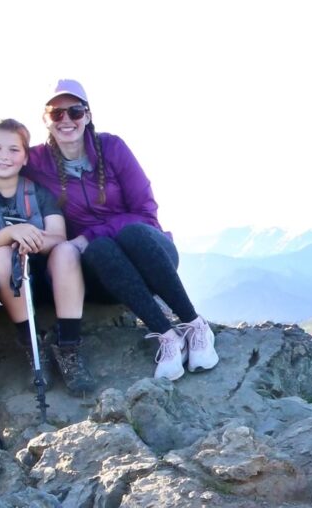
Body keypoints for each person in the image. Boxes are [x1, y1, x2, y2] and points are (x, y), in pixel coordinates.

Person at [24, 79, 219, 381]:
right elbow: (0, 155)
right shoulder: (37, 161)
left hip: (150, 256)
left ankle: (195, 325)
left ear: (87, 116)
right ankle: (167, 336)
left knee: (130, 234)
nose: (66, 120)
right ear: (45, 119)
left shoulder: (111, 148)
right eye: (56, 113)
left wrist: (87, 235)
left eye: (74, 111)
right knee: (101, 248)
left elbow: (145, 213)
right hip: (104, 272)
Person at [0, 118, 96, 397]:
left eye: (14, 150)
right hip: (9, 281)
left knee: (66, 252)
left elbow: (58, 237)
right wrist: (13, 233)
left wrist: (30, 239)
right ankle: (32, 346)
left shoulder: (37, 192)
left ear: (25, 157)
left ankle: (69, 346)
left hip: (48, 275)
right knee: (1, 255)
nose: (4, 157)